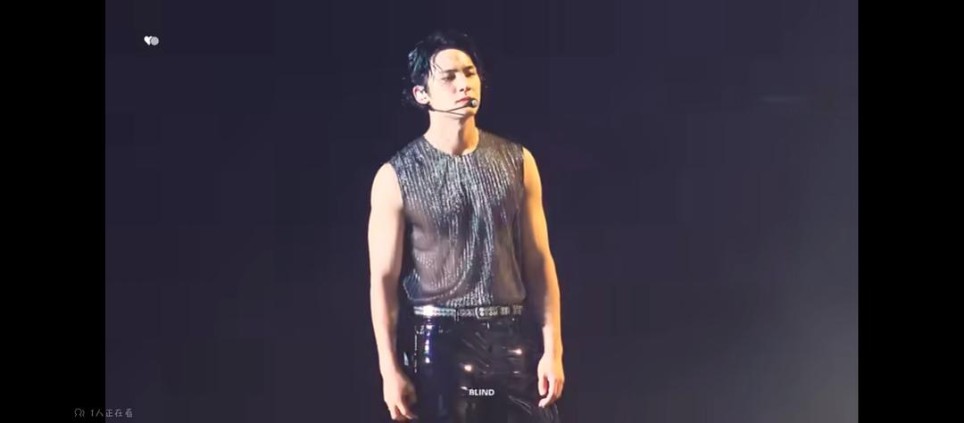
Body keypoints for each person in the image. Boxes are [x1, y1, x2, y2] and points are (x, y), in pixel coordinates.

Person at [368, 30, 564, 422]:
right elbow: (383, 280)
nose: (464, 85)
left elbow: (539, 260)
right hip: (440, 342)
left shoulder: (517, 161)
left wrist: (553, 348)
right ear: (421, 94)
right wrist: (389, 369)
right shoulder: (396, 175)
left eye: (470, 73)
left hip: (511, 337)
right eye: (448, 77)